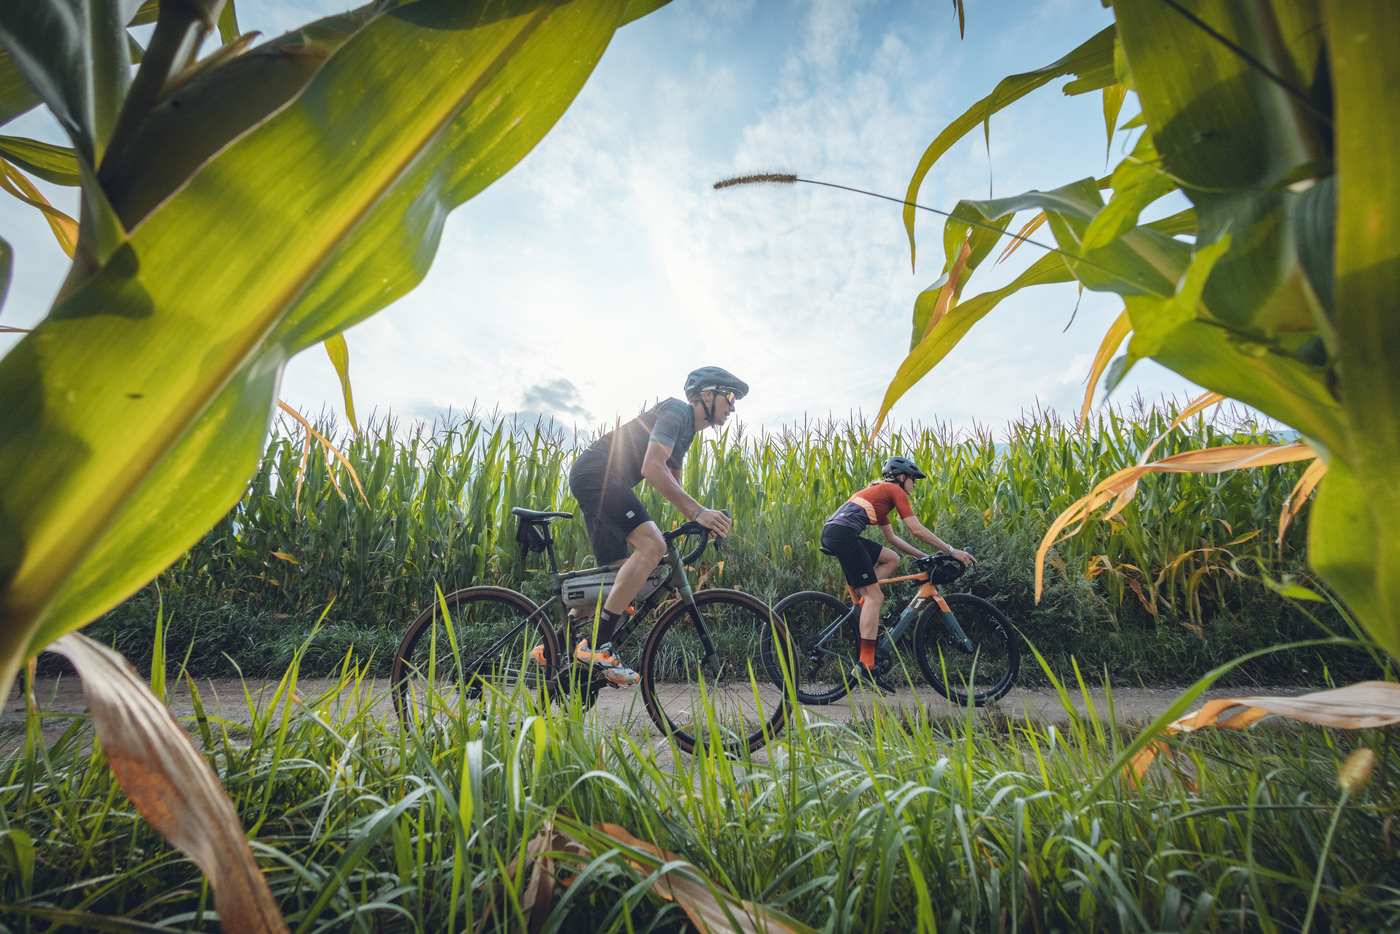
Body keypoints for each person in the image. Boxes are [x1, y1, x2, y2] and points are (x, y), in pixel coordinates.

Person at [563, 366, 746, 685]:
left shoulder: (685, 432)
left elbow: (674, 485)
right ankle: (598, 648)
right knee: (652, 546)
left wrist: (699, 519)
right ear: (706, 395)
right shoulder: (677, 411)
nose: (732, 406)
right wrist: (700, 512)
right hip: (599, 474)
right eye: (729, 397)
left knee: (617, 577)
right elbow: (651, 467)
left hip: (599, 477)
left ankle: (554, 647)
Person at [820, 455, 975, 693]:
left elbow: (892, 539)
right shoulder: (894, 490)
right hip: (843, 536)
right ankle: (866, 666)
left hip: (836, 533)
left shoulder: (880, 496)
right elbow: (916, 529)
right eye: (913, 480)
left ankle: (866, 604)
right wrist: (951, 551)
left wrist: (923, 556)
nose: (914, 486)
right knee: (876, 597)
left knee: (891, 558)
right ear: (902, 478)